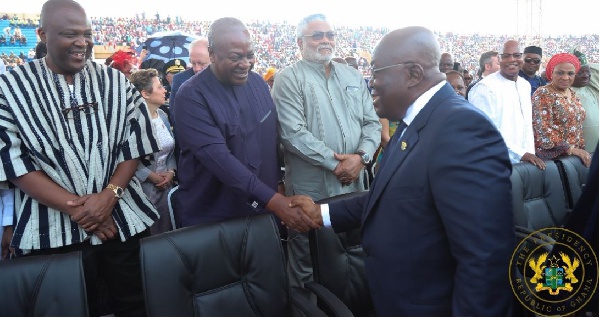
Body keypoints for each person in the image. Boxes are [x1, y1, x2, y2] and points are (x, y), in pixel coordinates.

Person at [291, 26, 515, 316]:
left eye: (377, 72)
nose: (371, 83)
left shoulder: (462, 130)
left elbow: (485, 259)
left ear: (413, 74)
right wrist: (319, 214)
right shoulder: (416, 121)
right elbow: (390, 196)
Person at [0, 0, 160, 316]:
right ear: (42, 34)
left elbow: (135, 143)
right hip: (49, 233)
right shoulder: (9, 87)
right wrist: (85, 211)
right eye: (70, 34)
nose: (82, 43)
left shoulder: (116, 81)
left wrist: (108, 197)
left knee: (134, 306)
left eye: (87, 34)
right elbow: (13, 162)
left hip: (120, 223)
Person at [173, 17, 318, 232]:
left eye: (250, 55)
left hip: (264, 212)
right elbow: (220, 160)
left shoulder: (258, 84)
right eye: (235, 57)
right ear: (212, 55)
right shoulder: (191, 96)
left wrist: (277, 187)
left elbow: (270, 140)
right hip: (215, 218)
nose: (245, 64)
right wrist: (276, 202)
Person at [271, 13, 381, 293]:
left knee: (355, 251)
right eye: (317, 35)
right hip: (312, 188)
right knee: (307, 256)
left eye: (330, 35)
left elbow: (371, 122)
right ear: (299, 42)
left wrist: (361, 157)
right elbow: (292, 134)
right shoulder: (288, 78)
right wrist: (337, 164)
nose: (325, 40)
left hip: (355, 181)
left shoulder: (352, 75)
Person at [469, 40, 546, 169]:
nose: (512, 60)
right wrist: (521, 154)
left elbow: (526, 127)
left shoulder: (524, 85)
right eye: (506, 56)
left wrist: (528, 154)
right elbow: (485, 132)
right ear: (499, 59)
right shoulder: (485, 88)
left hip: (527, 165)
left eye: (516, 55)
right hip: (496, 165)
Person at [130, 68, 177, 234]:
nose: (165, 90)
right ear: (145, 93)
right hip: (141, 190)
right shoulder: (131, 120)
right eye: (159, 87)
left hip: (165, 188)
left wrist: (171, 171)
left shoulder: (163, 115)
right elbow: (126, 157)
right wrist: (151, 176)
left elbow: (171, 149)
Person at [532, 53, 590, 166]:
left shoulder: (572, 94)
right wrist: (571, 149)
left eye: (570, 73)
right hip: (553, 162)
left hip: (575, 158)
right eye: (560, 72)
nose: (565, 77)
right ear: (551, 73)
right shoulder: (543, 94)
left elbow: (578, 126)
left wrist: (579, 150)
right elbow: (542, 130)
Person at [169, 37, 210, 163]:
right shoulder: (180, 80)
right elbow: (176, 118)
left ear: (214, 58)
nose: (197, 68)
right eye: (193, 63)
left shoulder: (226, 79)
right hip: (192, 153)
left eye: (202, 63)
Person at [571, 49, 599, 152]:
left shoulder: (593, 87)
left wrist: (583, 61)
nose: (586, 75)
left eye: (588, 71)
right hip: (580, 153)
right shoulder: (565, 92)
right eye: (580, 72)